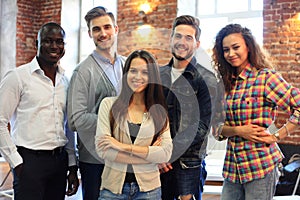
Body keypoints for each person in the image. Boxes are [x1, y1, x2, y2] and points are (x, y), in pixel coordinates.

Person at [212, 23, 300, 200]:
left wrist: (277, 136)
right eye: (226, 50)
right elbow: (216, 129)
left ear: (248, 47)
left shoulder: (265, 78)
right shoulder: (225, 83)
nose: (230, 54)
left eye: (236, 47)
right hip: (232, 167)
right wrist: (238, 130)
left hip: (260, 165)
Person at [0, 22, 79, 200]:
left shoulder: (65, 82)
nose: (54, 46)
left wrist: (72, 165)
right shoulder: (18, 77)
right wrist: (16, 162)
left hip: (59, 162)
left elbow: (67, 126)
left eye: (59, 42)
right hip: (29, 162)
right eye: (48, 41)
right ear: (37, 44)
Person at [95, 49, 173, 200]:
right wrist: (150, 156)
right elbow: (103, 150)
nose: (138, 77)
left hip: (149, 190)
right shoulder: (108, 105)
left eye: (145, 72)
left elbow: (165, 153)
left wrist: (120, 146)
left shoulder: (158, 111)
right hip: (113, 190)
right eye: (133, 71)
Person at [67, 6, 126, 200]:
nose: (103, 33)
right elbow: (75, 119)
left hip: (126, 157)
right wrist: (112, 118)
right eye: (96, 29)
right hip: (95, 160)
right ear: (90, 34)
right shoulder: (82, 72)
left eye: (107, 27)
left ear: (116, 29)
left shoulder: (128, 65)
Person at [159, 15, 213, 200]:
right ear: (171, 39)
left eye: (188, 38)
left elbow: (202, 127)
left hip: (189, 164)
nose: (182, 42)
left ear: (197, 44)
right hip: (157, 162)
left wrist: (168, 152)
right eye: (178, 36)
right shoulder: (158, 75)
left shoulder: (206, 79)